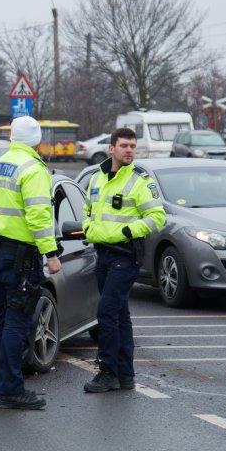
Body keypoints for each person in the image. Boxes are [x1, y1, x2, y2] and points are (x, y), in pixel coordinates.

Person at [0, 116, 59, 410]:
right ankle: (12, 390)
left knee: (0, 320)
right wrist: (51, 253)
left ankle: (1, 385)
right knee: (17, 321)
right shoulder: (33, 169)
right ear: (37, 140)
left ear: (12, 137)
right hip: (21, 256)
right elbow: (39, 216)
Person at [82, 127, 167, 393]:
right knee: (119, 315)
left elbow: (157, 217)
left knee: (107, 313)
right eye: (124, 146)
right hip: (103, 254)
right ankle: (125, 375)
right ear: (112, 148)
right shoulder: (96, 177)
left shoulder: (140, 180)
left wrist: (128, 231)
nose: (129, 150)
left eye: (132, 146)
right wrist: (87, 227)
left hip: (125, 256)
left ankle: (108, 372)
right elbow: (88, 209)